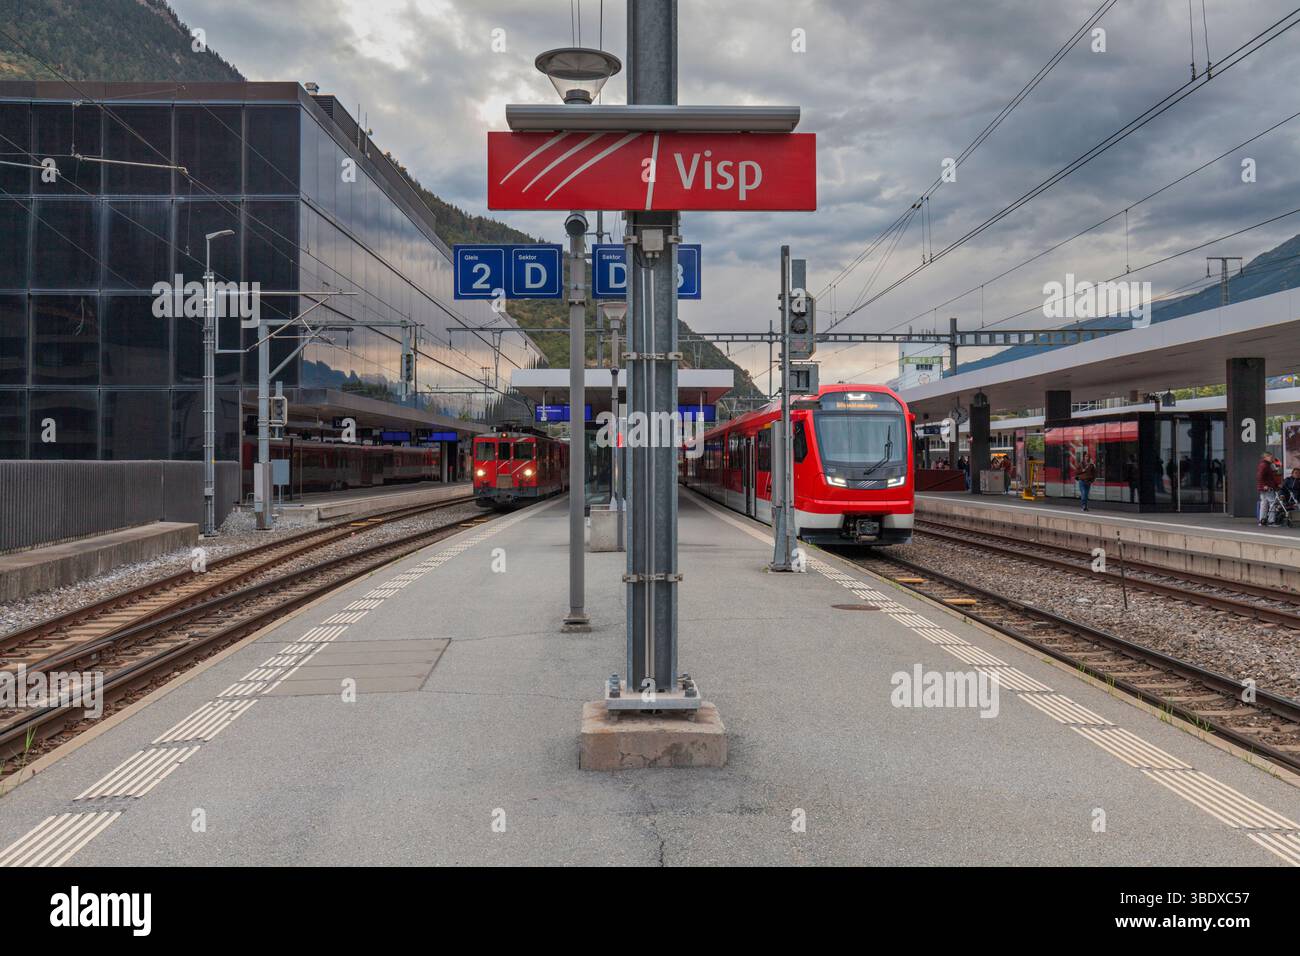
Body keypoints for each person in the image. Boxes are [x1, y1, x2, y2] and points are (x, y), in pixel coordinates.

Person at [1258, 452, 1282, 526]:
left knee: (1264, 504)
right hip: (1267, 487)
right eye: (1270, 457)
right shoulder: (1265, 465)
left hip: (1265, 487)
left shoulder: (1265, 465)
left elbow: (1264, 477)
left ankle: (1262, 521)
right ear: (1266, 457)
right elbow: (1260, 476)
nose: (1272, 459)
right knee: (1272, 503)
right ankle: (1271, 521)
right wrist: (1264, 485)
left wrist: (1262, 486)